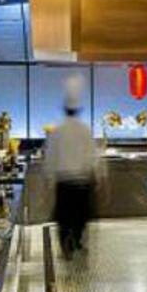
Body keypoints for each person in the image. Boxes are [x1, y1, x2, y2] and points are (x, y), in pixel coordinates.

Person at [49, 99, 98, 256]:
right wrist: (97, 176)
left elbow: (50, 157)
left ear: (65, 110)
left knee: (64, 216)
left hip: (63, 181)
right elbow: (92, 157)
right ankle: (77, 239)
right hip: (81, 181)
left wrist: (49, 179)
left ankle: (66, 242)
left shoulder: (57, 131)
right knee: (80, 215)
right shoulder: (85, 130)